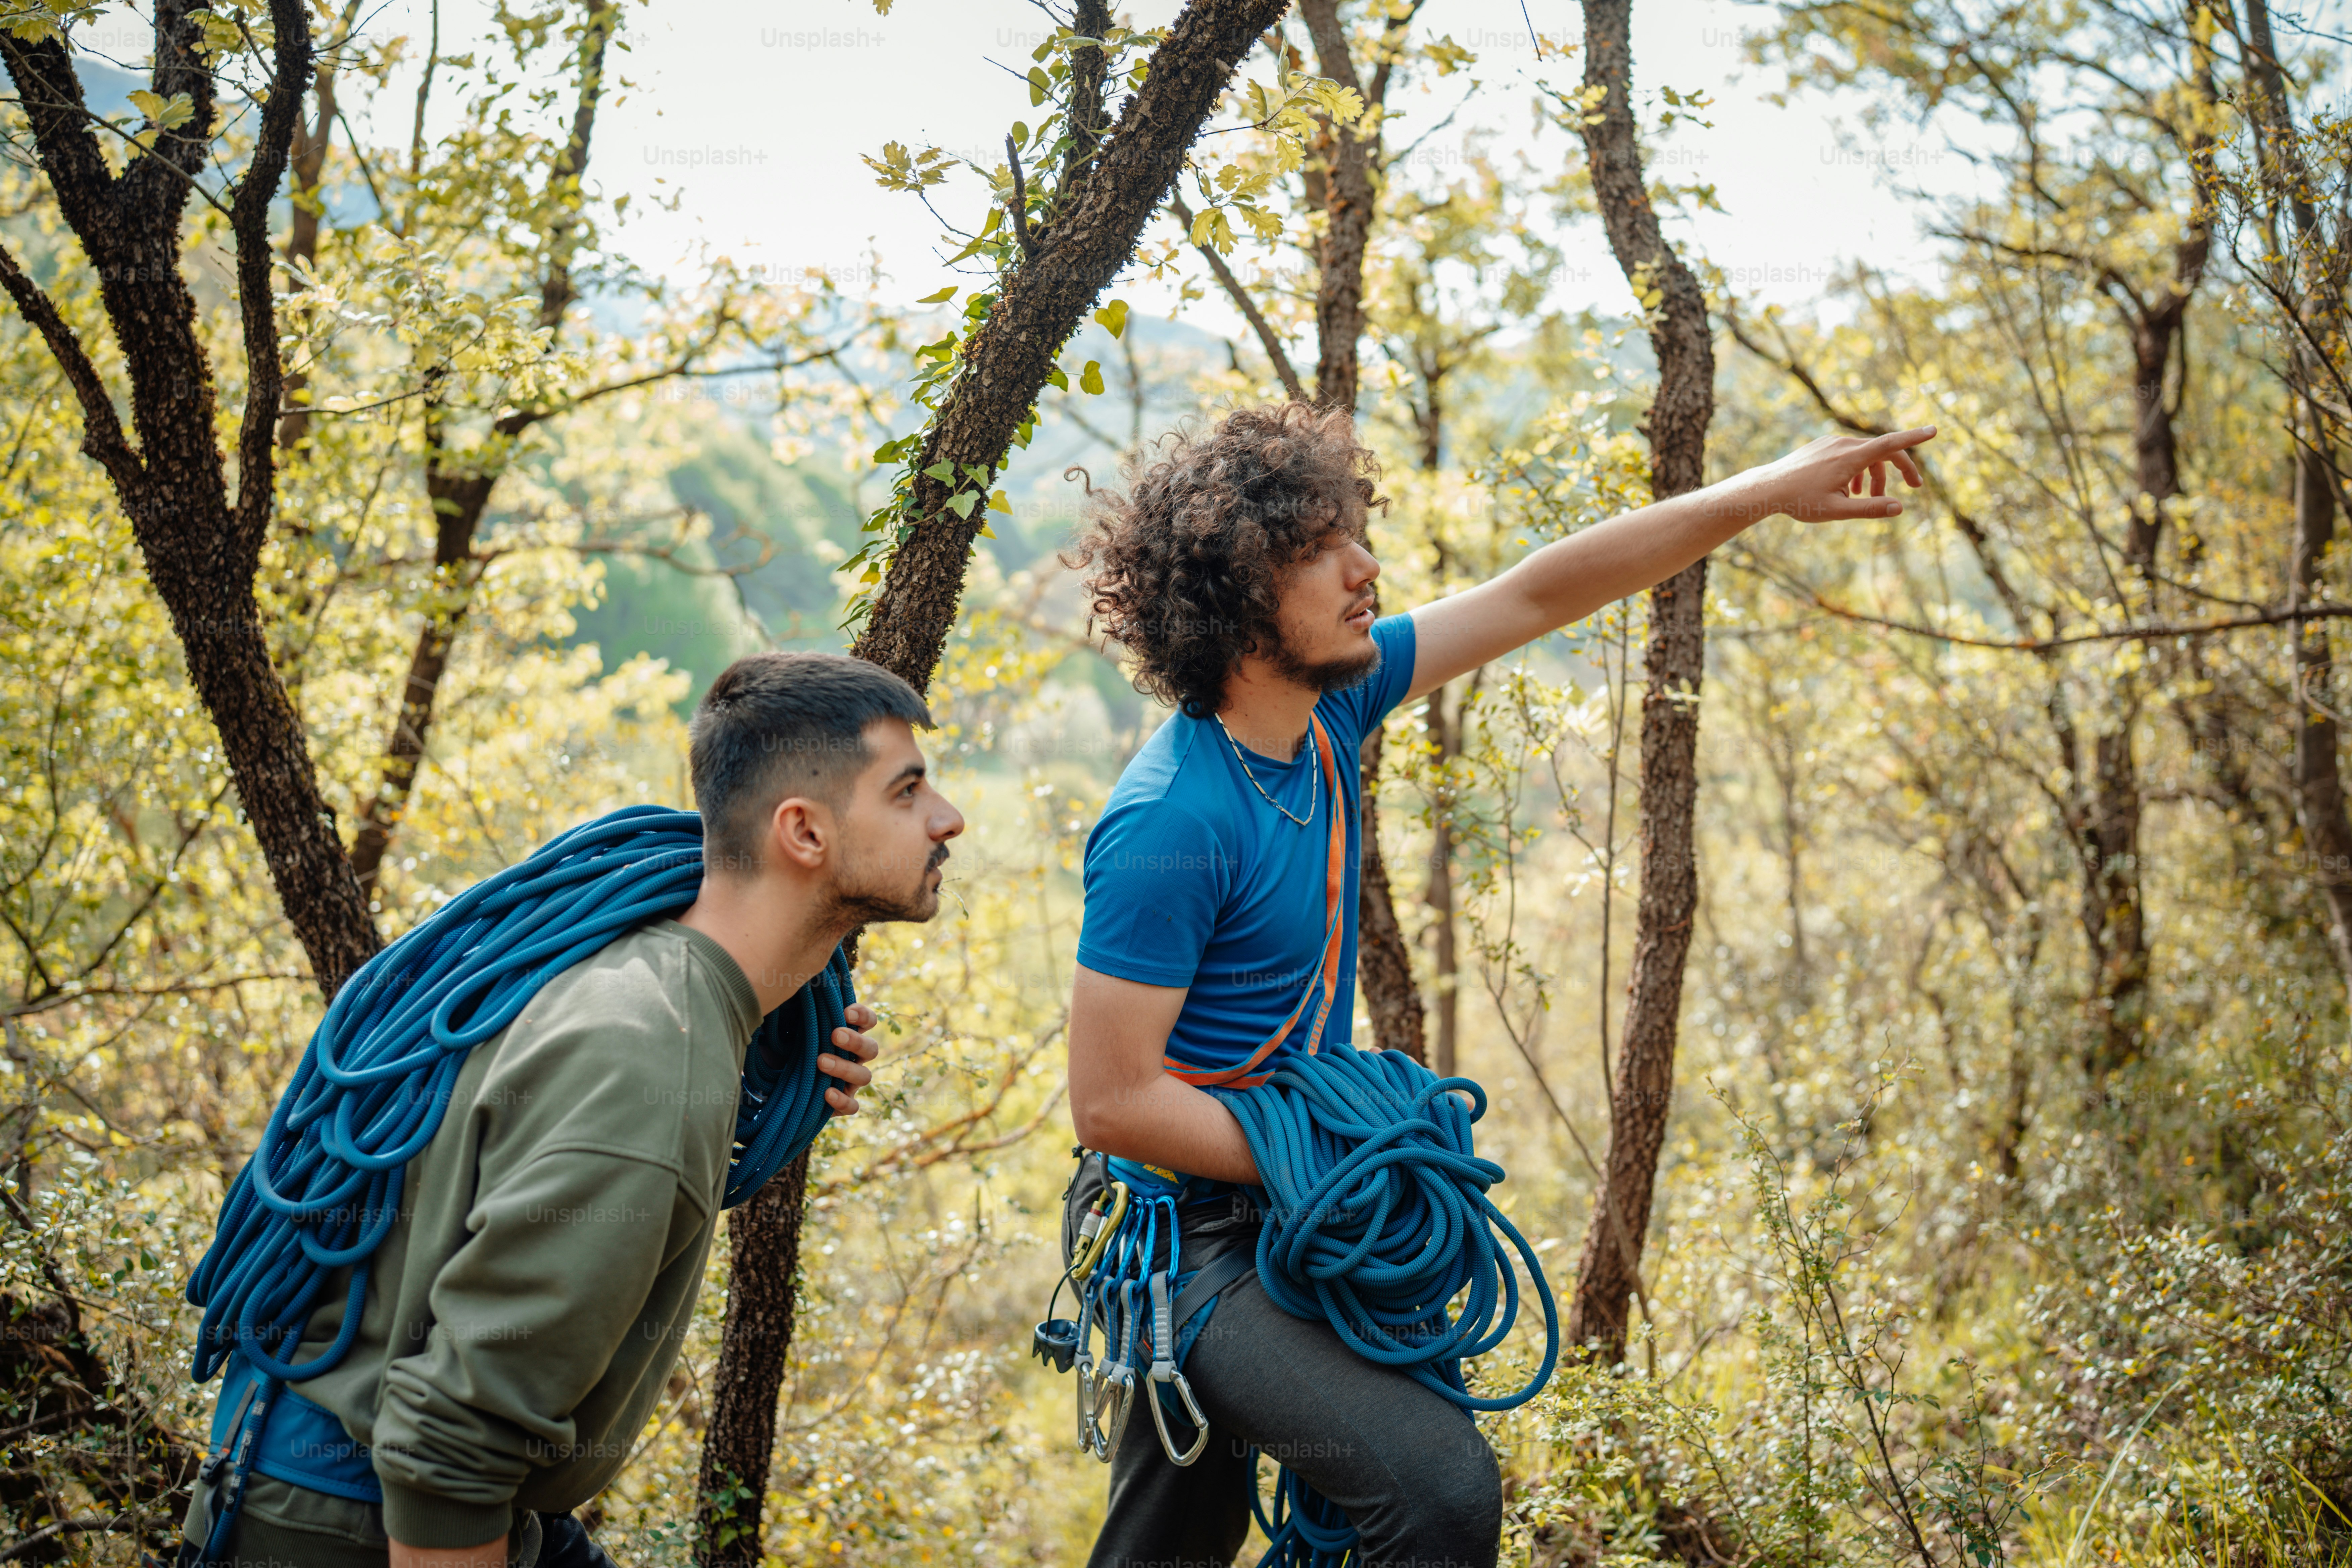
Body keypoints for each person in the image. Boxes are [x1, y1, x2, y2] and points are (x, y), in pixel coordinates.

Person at [1063, 401, 1934, 1567]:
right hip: (1189, 1246)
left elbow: (1538, 593)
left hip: (1275, 1216)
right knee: (1437, 1495)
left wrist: (1763, 489)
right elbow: (1112, 1103)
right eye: (1318, 550)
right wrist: (1317, 1152)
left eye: (1352, 534)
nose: (1364, 568)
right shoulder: (1172, 819)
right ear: (1232, 597)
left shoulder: (1329, 714)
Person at [181, 651, 965, 1568]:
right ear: (803, 832)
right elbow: (449, 1454)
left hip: (344, 1475)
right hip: (360, 1526)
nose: (949, 818)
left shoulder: (642, 976)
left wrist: (769, 1052)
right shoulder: (655, 1061)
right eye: (907, 791)